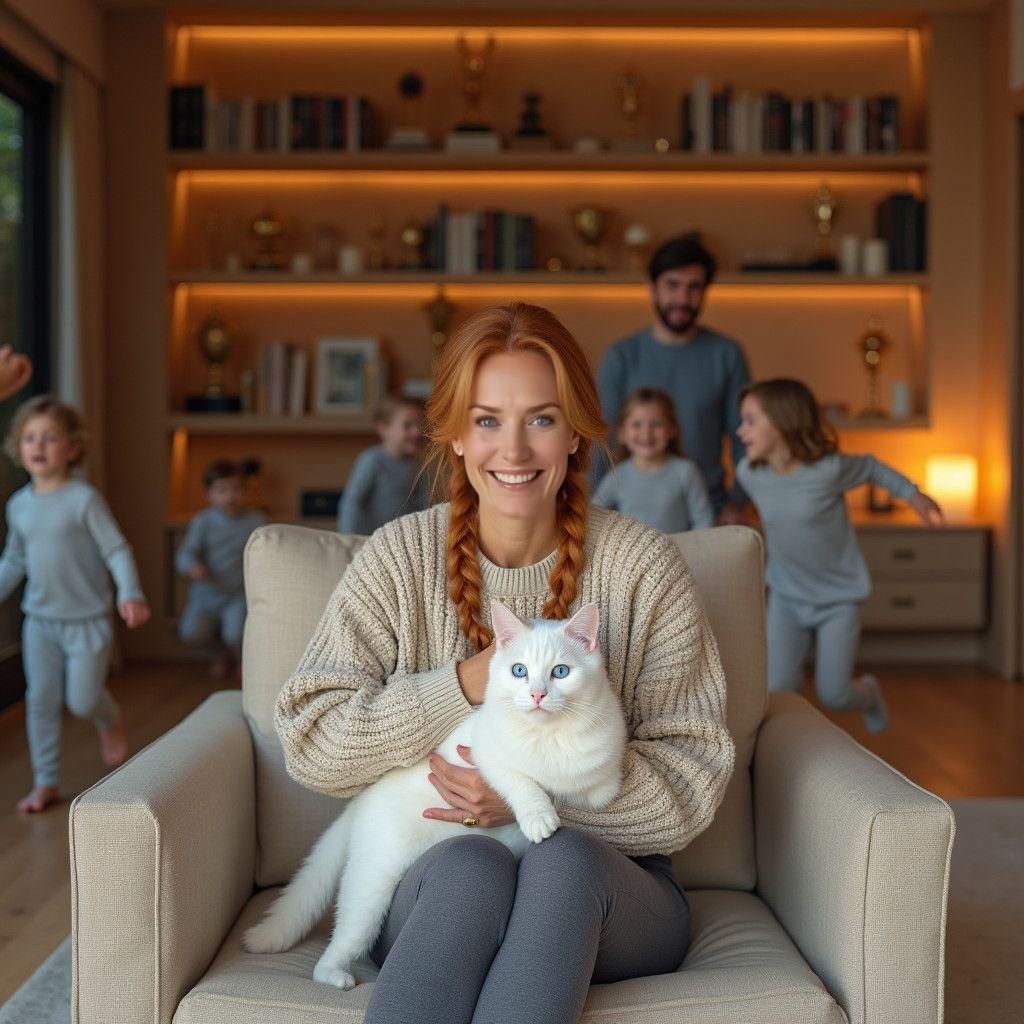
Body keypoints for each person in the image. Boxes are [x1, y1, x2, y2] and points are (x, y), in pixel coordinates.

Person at [275, 302, 735, 1024]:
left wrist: (531, 800)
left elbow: (693, 779)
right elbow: (312, 742)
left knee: (561, 862)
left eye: (542, 419)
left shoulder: (643, 568)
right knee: (471, 864)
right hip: (444, 882)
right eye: (488, 420)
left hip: (614, 892)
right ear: (455, 435)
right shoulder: (398, 559)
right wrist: (464, 683)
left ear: (578, 431)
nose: (514, 450)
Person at [736, 378, 944, 733]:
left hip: (838, 599)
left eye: (751, 421)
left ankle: (869, 693)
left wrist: (914, 495)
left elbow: (873, 467)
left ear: (783, 421)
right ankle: (795, 750)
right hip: (786, 596)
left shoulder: (829, 470)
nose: (741, 431)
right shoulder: (749, 475)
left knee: (835, 694)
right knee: (778, 689)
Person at [0, 396, 150, 814]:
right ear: (19, 447)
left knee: (82, 700)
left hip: (87, 621)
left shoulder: (83, 499)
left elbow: (116, 550)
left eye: (50, 437)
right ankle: (45, 780)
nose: (39, 446)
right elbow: (14, 559)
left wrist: (129, 592)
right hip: (40, 622)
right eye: (30, 437)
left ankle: (107, 718)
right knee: (41, 699)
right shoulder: (19, 505)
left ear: (72, 448)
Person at [594, 234, 751, 523]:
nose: (682, 299)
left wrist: (738, 502)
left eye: (694, 288)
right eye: (672, 285)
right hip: (630, 519)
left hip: (709, 511)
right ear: (652, 289)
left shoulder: (726, 354)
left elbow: (747, 437)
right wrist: (590, 515)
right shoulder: (622, 356)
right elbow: (599, 441)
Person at [176, 459, 266, 679]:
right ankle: (219, 655)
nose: (230, 496)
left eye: (236, 489)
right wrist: (192, 566)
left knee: (235, 634)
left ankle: (241, 660)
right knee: (191, 632)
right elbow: (185, 553)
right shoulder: (203, 522)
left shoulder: (256, 521)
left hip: (238, 594)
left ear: (245, 491)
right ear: (210, 495)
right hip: (205, 594)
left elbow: (269, 552)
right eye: (222, 490)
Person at [592, 386, 713, 533]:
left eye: (656, 424)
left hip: (680, 554)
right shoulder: (617, 477)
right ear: (622, 432)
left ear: (672, 429)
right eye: (637, 424)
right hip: (633, 555)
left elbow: (704, 521)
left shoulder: (686, 472)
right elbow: (594, 517)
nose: (646, 433)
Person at [337, 395, 431, 535]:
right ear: (384, 429)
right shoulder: (372, 460)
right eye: (408, 425)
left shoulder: (417, 467)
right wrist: (348, 539)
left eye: (420, 425)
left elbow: (423, 507)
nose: (416, 432)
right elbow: (352, 503)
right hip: (369, 541)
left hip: (402, 542)